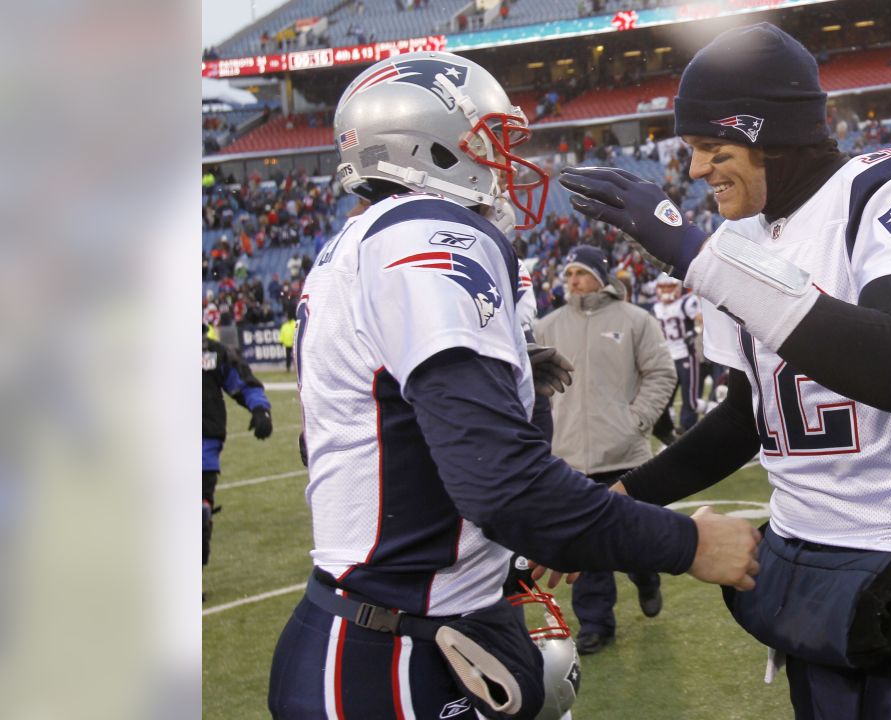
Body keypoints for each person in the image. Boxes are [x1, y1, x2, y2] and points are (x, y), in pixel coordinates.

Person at [267, 52, 760, 720]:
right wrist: (690, 544)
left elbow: (406, 460)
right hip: (393, 653)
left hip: (396, 625)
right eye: (489, 139)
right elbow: (503, 484)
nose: (505, 162)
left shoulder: (361, 244)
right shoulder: (428, 239)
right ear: (429, 144)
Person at [559, 23, 891, 719]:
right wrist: (615, 503)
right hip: (800, 561)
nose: (698, 170)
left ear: (769, 135)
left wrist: (700, 260)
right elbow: (744, 420)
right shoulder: (739, 239)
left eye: (714, 148)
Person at [532, 245, 677, 655]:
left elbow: (660, 373)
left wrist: (636, 421)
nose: (572, 281)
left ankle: (646, 576)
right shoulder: (547, 326)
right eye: (568, 274)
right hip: (569, 457)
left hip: (626, 457)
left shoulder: (635, 320)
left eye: (580, 272)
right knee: (585, 548)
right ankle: (596, 624)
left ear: (601, 276)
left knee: (636, 540)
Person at [202, 325, 272, 572]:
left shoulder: (212, 353)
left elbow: (242, 382)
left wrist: (259, 408)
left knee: (198, 512)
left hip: (203, 445)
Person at [651, 272, 703, 438]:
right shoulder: (656, 308)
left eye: (669, 286)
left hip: (685, 355)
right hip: (666, 359)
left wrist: (696, 330)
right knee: (665, 397)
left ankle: (688, 429)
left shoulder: (687, 302)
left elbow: (701, 319)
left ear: (677, 288)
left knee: (690, 399)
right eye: (663, 286)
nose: (666, 290)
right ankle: (668, 429)